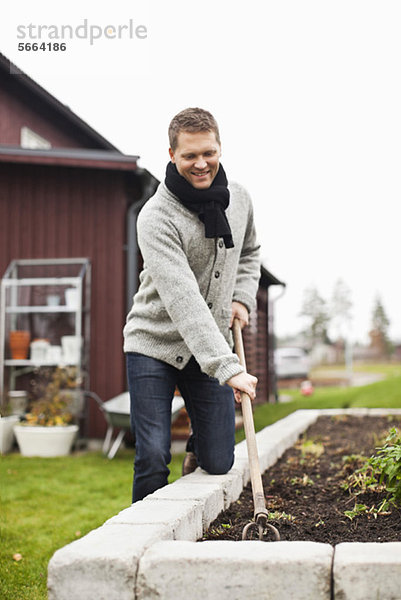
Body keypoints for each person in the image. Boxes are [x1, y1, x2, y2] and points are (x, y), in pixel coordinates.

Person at [123, 107, 261, 502]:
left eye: (208, 153)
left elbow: (250, 252)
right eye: (189, 156)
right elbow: (183, 299)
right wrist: (228, 367)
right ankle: (141, 540)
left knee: (218, 460)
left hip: (210, 342)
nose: (201, 164)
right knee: (151, 454)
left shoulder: (239, 199)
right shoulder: (156, 217)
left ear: (219, 148)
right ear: (172, 155)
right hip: (155, 343)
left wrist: (241, 297)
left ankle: (195, 458)